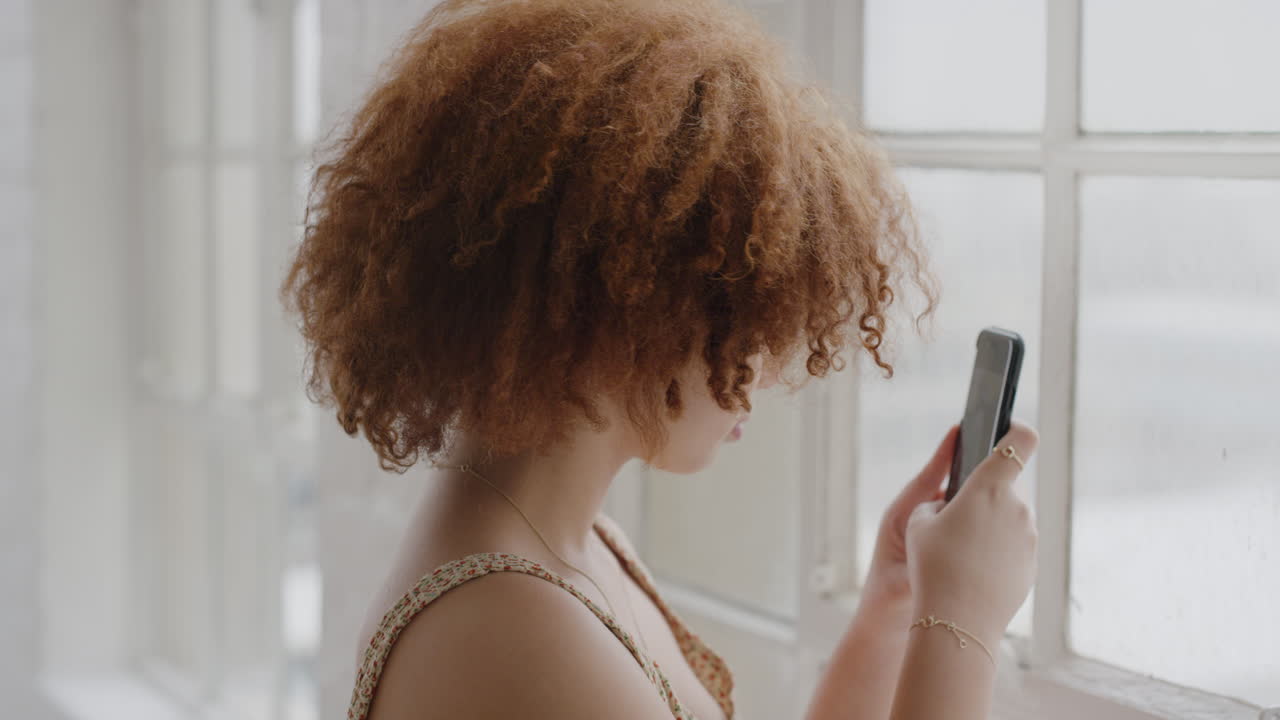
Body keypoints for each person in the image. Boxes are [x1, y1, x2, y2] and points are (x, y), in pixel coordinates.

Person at [280, 0, 1040, 718]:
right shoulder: (508, 621)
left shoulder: (559, 551)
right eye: (745, 314)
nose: (769, 370)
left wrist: (888, 608)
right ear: (626, 304)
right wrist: (960, 623)